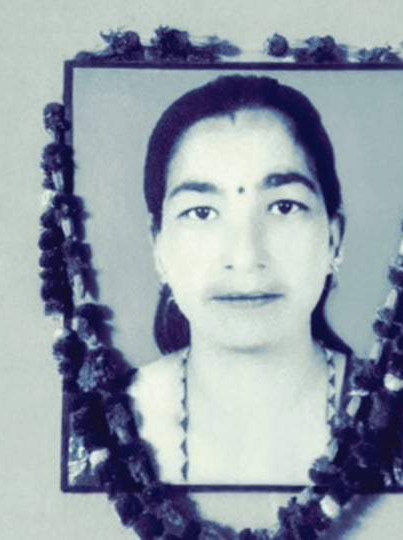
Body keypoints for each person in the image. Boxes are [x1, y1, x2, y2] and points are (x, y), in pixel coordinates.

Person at [128, 75, 353, 485]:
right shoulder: (103, 425)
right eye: (201, 212)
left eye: (284, 207)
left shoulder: (402, 412)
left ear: (333, 239)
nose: (246, 257)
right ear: (158, 247)